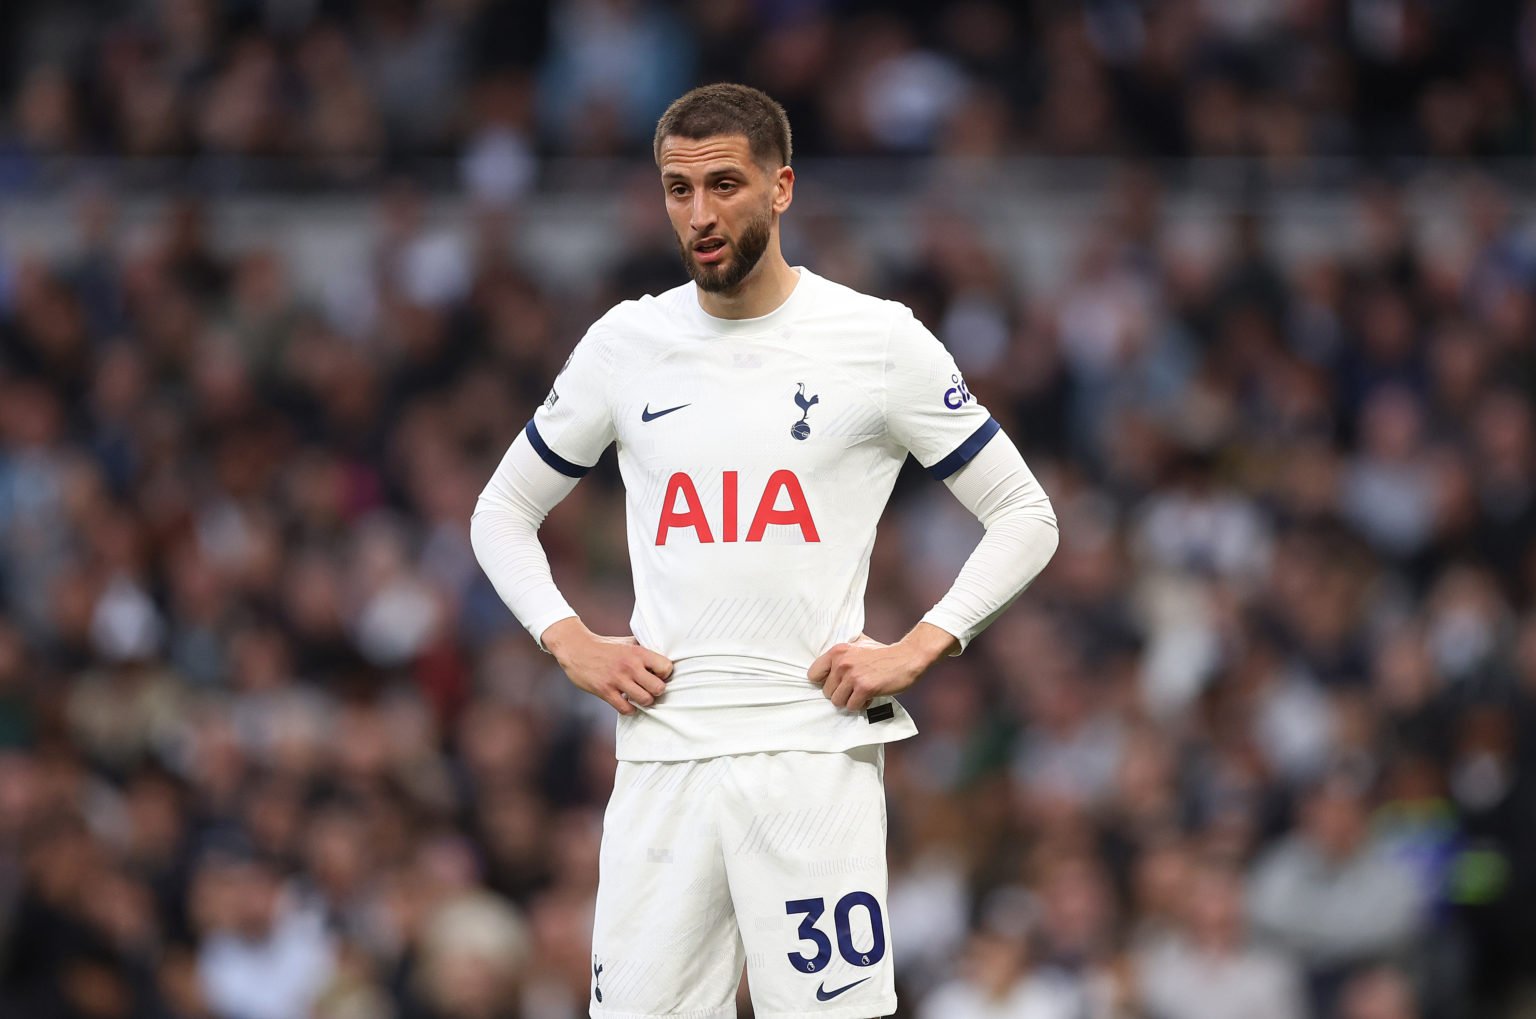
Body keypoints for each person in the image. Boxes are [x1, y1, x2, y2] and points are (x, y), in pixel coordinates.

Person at [471, 83, 1059, 1019]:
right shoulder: (627, 343)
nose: (699, 214)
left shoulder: (875, 341)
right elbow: (500, 510)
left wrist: (920, 644)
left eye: (724, 185)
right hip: (663, 754)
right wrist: (566, 637)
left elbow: (1026, 515)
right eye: (677, 189)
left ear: (781, 188)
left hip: (808, 754)